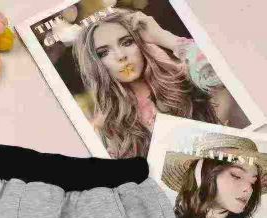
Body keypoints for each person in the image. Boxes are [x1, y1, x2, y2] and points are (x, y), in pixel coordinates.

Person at [72, 7, 249, 158]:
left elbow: (227, 72)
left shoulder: (185, 79)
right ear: (95, 64)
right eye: (104, 53)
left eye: (127, 42)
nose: (121, 56)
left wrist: (164, 37)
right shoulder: (109, 125)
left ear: (142, 43)